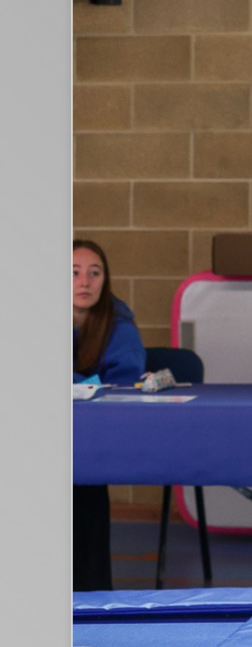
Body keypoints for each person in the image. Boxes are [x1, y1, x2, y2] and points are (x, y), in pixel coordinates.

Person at [73, 239, 146, 591]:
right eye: (73, 273)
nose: (84, 282)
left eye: (94, 273)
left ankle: (89, 592)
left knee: (82, 482)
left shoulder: (118, 324)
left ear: (105, 280)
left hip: (93, 440)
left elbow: (125, 383)